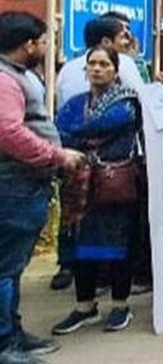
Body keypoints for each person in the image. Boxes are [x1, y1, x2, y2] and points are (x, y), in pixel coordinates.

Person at [0, 12, 86, 364]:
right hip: (13, 184)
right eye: (44, 40)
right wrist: (56, 155)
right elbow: (8, 132)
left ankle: (13, 333)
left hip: (25, 183)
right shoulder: (5, 80)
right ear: (28, 44)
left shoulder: (18, 74)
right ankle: (3, 346)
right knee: (5, 268)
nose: (47, 46)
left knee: (13, 266)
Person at [50, 47, 143, 336]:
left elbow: (107, 123)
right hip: (80, 186)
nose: (97, 69)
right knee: (81, 245)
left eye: (104, 64)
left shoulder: (127, 102)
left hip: (114, 183)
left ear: (115, 70)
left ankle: (120, 305)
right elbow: (58, 131)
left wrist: (76, 138)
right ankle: (84, 306)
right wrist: (74, 138)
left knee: (119, 245)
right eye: (92, 63)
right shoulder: (76, 103)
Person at [55, 17, 146, 113]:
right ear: (106, 42)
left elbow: (60, 106)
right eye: (122, 37)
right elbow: (141, 101)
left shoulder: (67, 69)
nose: (127, 42)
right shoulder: (123, 62)